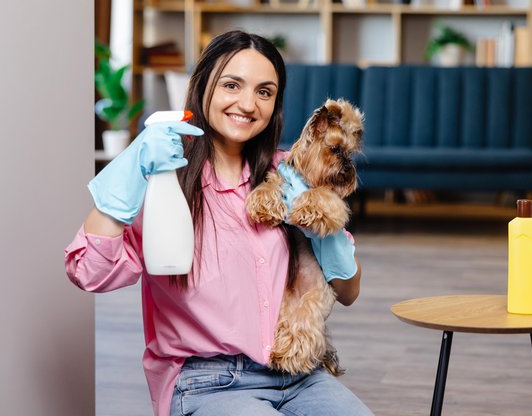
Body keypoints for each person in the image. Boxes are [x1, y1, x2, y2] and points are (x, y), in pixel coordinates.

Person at [65, 30, 373, 416]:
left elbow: (348, 291)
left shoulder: (288, 176)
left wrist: (324, 234)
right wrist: (128, 170)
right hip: (207, 384)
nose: (247, 103)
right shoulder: (163, 181)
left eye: (264, 91)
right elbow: (89, 273)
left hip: (301, 376)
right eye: (231, 85)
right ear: (203, 85)